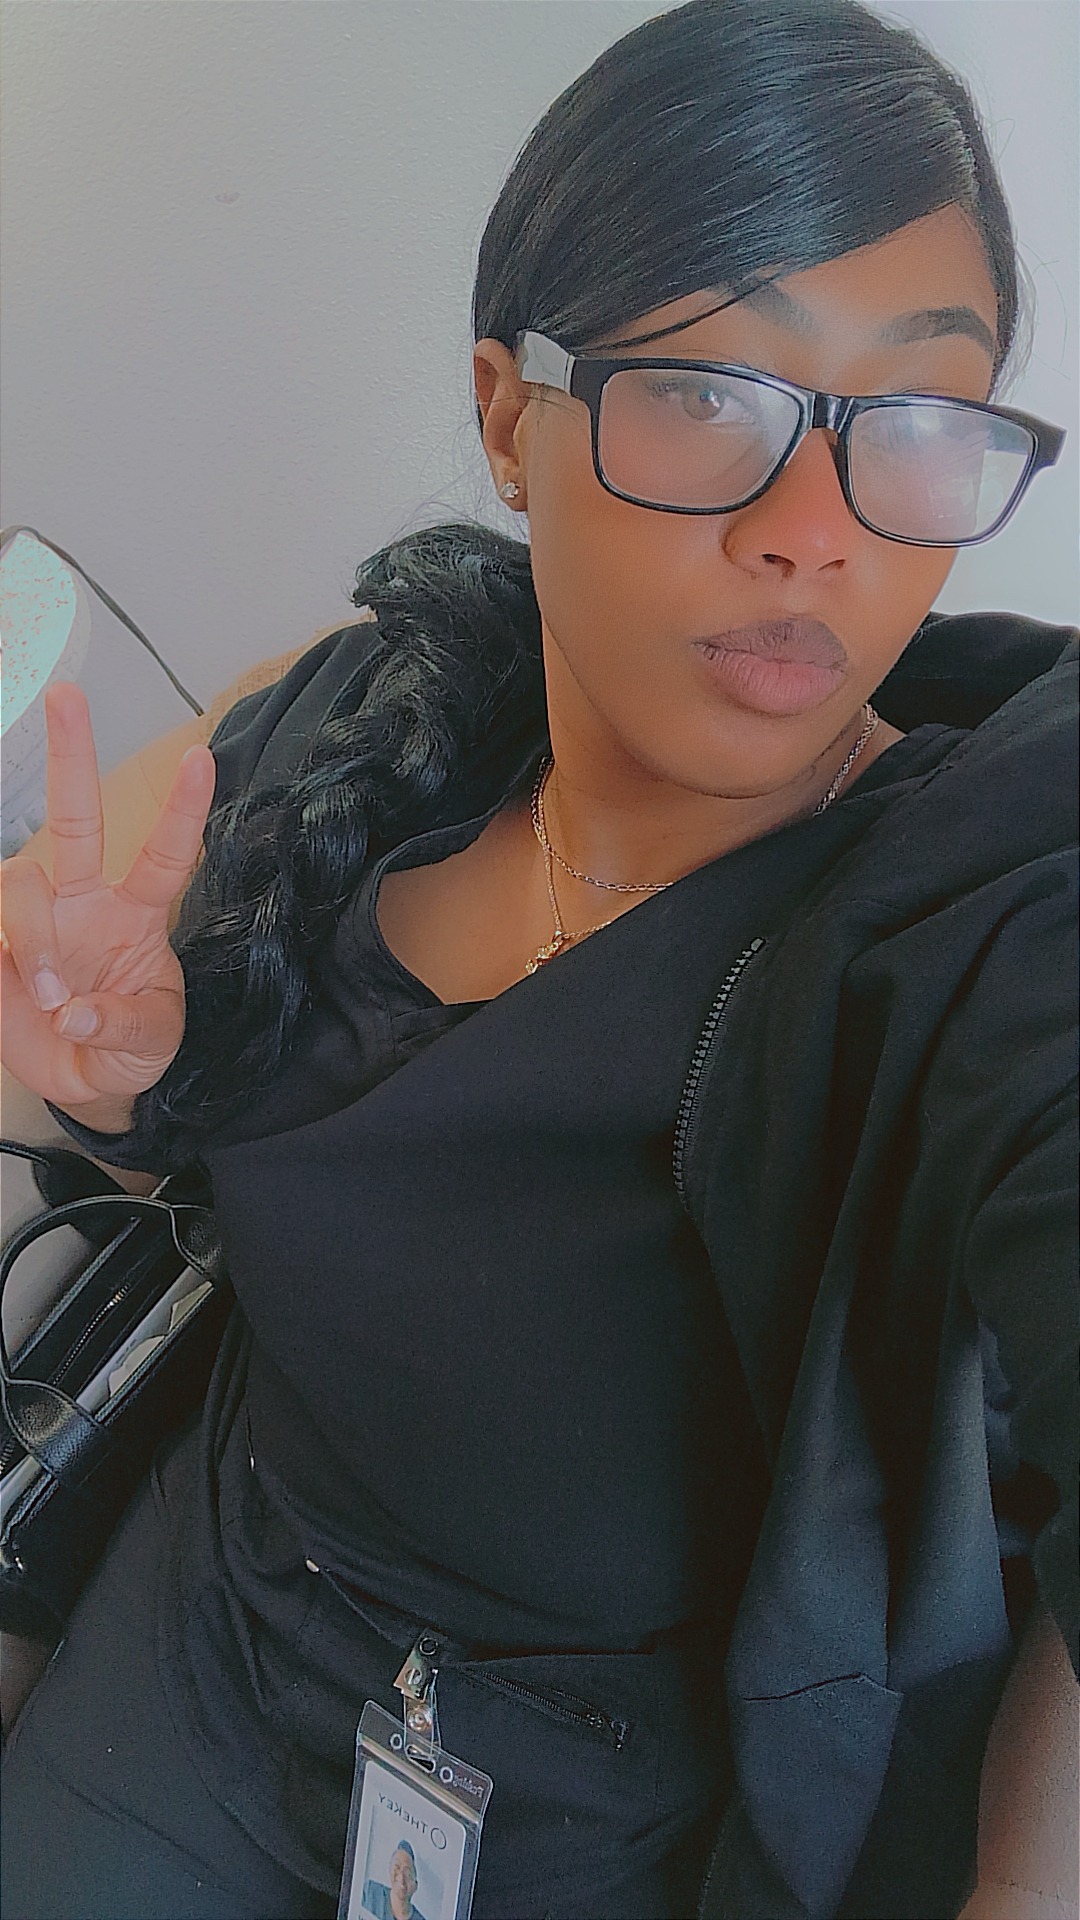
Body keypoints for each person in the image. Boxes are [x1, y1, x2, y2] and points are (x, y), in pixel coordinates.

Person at [0, 1, 1076, 1915]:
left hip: (601, 1821)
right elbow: (107, 1083)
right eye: (710, 395)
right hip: (214, 1641)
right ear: (510, 417)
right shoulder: (362, 717)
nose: (813, 534)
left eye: (919, 416)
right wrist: (107, 1078)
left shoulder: (981, 907)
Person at [362, 1840, 429, 1920]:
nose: (401, 1877)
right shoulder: (370, 1893)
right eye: (397, 1867)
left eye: (408, 1874)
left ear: (415, 1886)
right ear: (390, 1869)